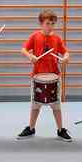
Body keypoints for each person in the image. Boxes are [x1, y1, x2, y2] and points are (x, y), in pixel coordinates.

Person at [18, 10, 72, 141]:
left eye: (53, 23)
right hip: (37, 76)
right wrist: (30, 56)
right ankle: (31, 128)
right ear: (41, 24)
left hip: (54, 76)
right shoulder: (35, 36)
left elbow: (66, 53)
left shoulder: (57, 38)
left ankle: (60, 130)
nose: (50, 26)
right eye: (47, 23)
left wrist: (65, 58)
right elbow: (23, 49)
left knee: (56, 105)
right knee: (35, 105)